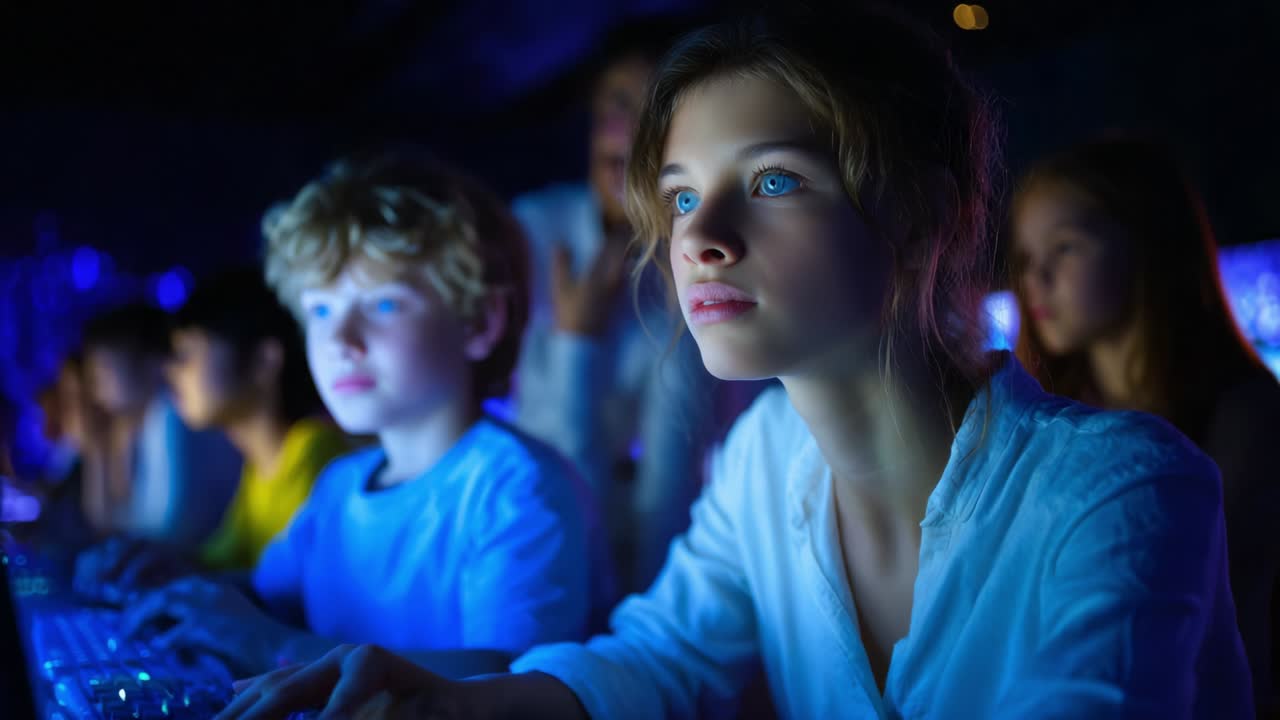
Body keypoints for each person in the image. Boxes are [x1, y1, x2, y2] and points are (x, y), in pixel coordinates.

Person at [215, 7, 1253, 720]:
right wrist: (456, 699)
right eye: (676, 194)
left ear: (922, 216)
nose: (696, 236)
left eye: (768, 183)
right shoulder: (765, 452)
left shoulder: (1119, 486)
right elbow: (663, 656)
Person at [118, 150, 607, 681]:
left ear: (480, 322)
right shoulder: (339, 488)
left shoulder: (516, 489)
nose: (339, 341)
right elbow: (262, 594)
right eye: (320, 310)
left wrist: (274, 648)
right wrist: (173, 582)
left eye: (383, 305)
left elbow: (511, 683)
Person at [1007, 136, 1280, 715]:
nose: (1036, 279)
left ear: (1148, 245)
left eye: (1065, 248)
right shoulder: (1052, 420)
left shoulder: (1249, 413)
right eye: (1027, 258)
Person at [511, 21, 718, 589]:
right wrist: (576, 343)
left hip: (670, 544)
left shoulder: (711, 250)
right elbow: (546, 446)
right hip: (552, 532)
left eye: (658, 111)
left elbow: (680, 465)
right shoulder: (533, 232)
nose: (631, 132)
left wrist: (687, 330)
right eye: (618, 104)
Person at [72, 269, 350, 593]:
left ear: (263, 360)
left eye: (187, 354)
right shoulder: (259, 469)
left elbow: (293, 595)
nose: (170, 371)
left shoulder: (316, 457)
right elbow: (218, 562)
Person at [78, 303, 240, 547]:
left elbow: (169, 530)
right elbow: (109, 523)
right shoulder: (143, 422)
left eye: (103, 370)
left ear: (152, 362)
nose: (94, 386)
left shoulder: (175, 413)